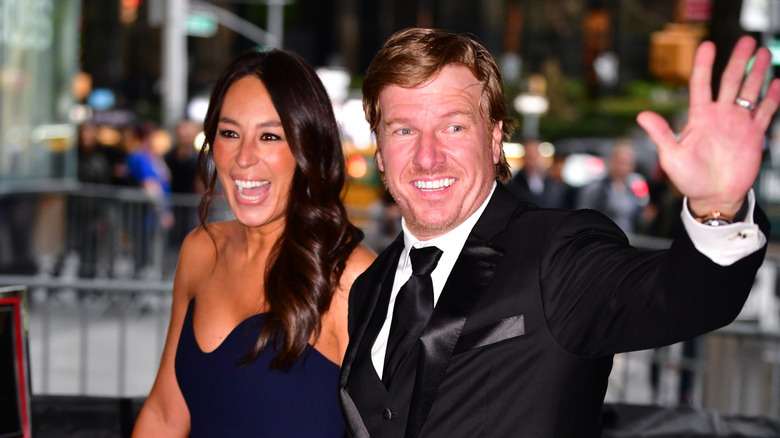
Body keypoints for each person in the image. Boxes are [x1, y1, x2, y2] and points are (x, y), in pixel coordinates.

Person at [338, 28, 779, 437]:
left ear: (494, 139)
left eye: (454, 126)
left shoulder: (557, 251)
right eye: (404, 130)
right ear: (380, 151)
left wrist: (717, 209)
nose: (428, 156)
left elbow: (684, 298)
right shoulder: (369, 289)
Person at [132, 49, 375, 437]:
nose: (244, 158)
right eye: (230, 134)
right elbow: (166, 412)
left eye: (269, 136)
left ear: (306, 147)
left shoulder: (351, 276)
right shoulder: (201, 250)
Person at [576, 139, 644, 234]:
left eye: (629, 163)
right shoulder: (596, 188)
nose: (625, 167)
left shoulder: (631, 191)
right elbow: (582, 218)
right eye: (622, 162)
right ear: (612, 160)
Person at [506, 139, 572, 209]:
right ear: (524, 156)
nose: (533, 158)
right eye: (530, 155)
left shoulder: (552, 182)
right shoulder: (513, 184)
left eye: (535, 154)